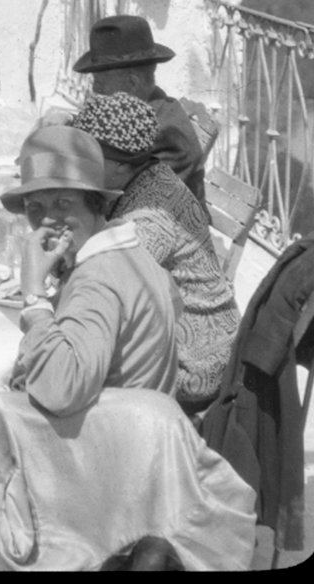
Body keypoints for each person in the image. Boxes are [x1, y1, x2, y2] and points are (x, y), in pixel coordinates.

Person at [71, 91, 239, 413]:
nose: (78, 166)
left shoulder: (149, 219)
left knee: (75, 379)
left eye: (87, 158)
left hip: (195, 366)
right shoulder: (142, 177)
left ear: (120, 167)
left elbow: (103, 284)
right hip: (180, 338)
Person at [0, 125, 179, 418]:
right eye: (34, 206)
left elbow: (61, 391)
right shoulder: (129, 252)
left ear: (95, 203)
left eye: (62, 202)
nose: (46, 219)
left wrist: (33, 291)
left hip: (110, 445)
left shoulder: (96, 279)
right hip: (144, 425)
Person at [72, 15, 209, 205]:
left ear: (133, 83)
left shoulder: (157, 129)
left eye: (101, 82)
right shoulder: (151, 108)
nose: (96, 89)